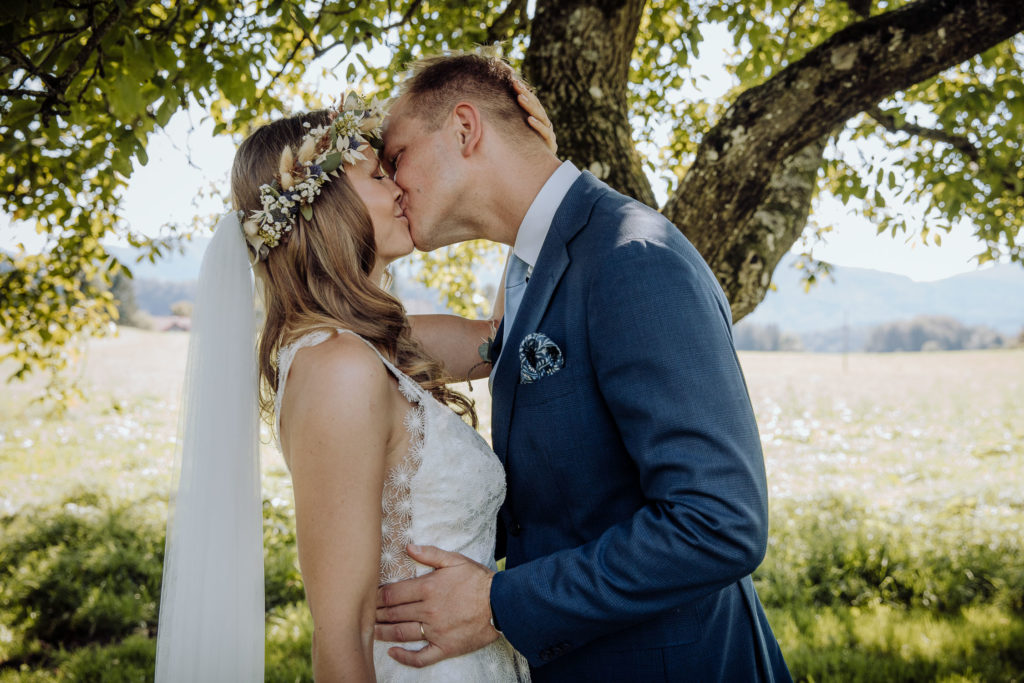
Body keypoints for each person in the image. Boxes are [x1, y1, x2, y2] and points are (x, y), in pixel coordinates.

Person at [374, 53, 792, 681]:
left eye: (396, 154)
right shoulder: (531, 269)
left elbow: (720, 521)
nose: (391, 181)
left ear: (465, 129)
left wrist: (497, 605)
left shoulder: (632, 257)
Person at [154, 87, 555, 680]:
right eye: (377, 175)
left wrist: (529, 175)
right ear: (326, 204)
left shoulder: (378, 344)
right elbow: (341, 633)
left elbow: (501, 337)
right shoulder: (336, 368)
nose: (401, 187)